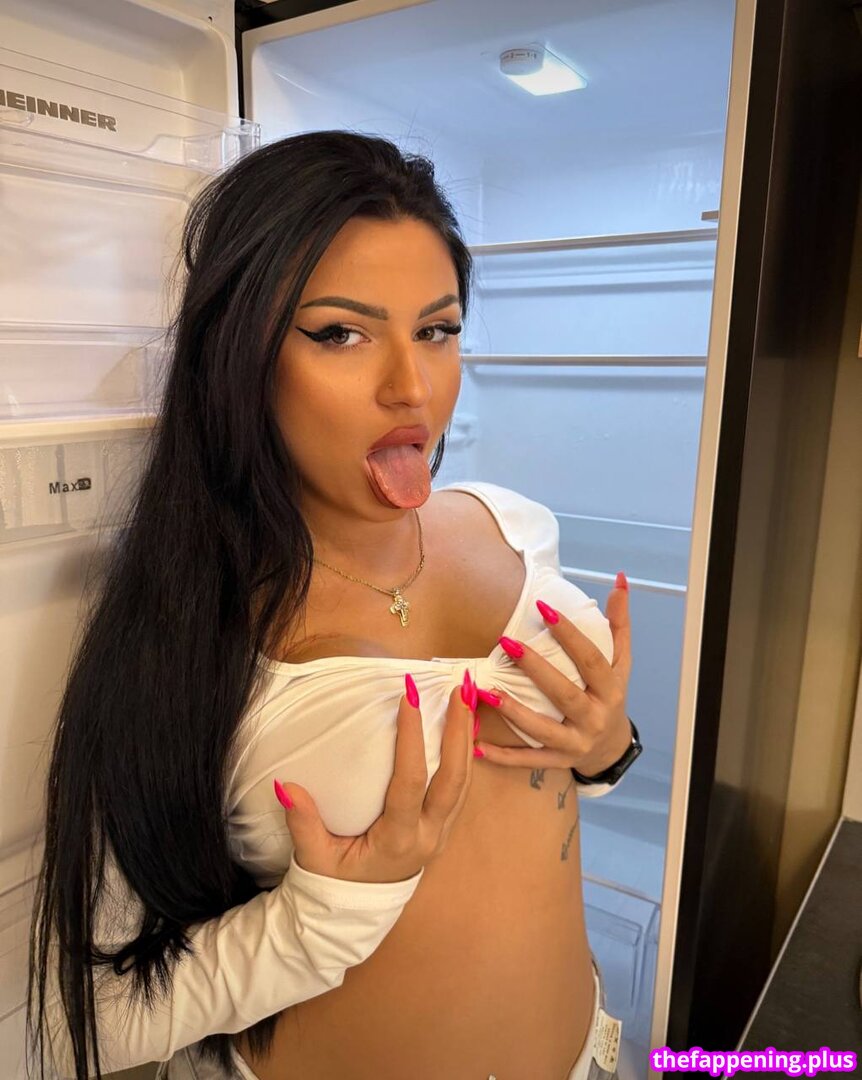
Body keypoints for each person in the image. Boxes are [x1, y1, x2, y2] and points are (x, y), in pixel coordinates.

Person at [27, 131, 636, 1080]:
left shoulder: (514, 527)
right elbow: (90, 1023)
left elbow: (546, 792)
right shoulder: (189, 634)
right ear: (239, 355)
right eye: (341, 334)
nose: (411, 388)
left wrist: (604, 752)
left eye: (437, 330)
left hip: (587, 1055)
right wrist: (319, 920)